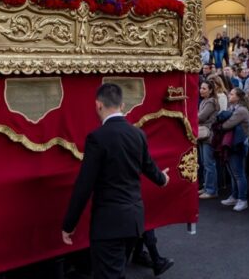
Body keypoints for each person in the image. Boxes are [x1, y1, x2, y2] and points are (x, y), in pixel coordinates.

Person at [61, 83, 170, 279]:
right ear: (122, 105)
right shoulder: (138, 134)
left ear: (98, 105)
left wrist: (69, 224)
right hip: (133, 222)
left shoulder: (97, 137)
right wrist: (163, 178)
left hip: (109, 224)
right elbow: (150, 168)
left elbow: (84, 185)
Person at [219, 88, 249, 212]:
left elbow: (226, 124)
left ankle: (242, 199)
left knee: (238, 173)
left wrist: (222, 121)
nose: (229, 95)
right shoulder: (232, 108)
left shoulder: (241, 110)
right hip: (231, 143)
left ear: (238, 97)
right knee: (233, 173)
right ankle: (234, 195)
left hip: (238, 144)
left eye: (232, 94)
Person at [198, 80, 219, 199]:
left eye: (204, 88)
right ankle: (207, 187)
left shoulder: (211, 102)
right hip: (202, 133)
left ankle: (211, 190)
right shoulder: (204, 101)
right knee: (204, 163)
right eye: (201, 88)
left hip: (208, 134)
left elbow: (200, 117)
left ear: (211, 90)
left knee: (208, 163)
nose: (201, 90)